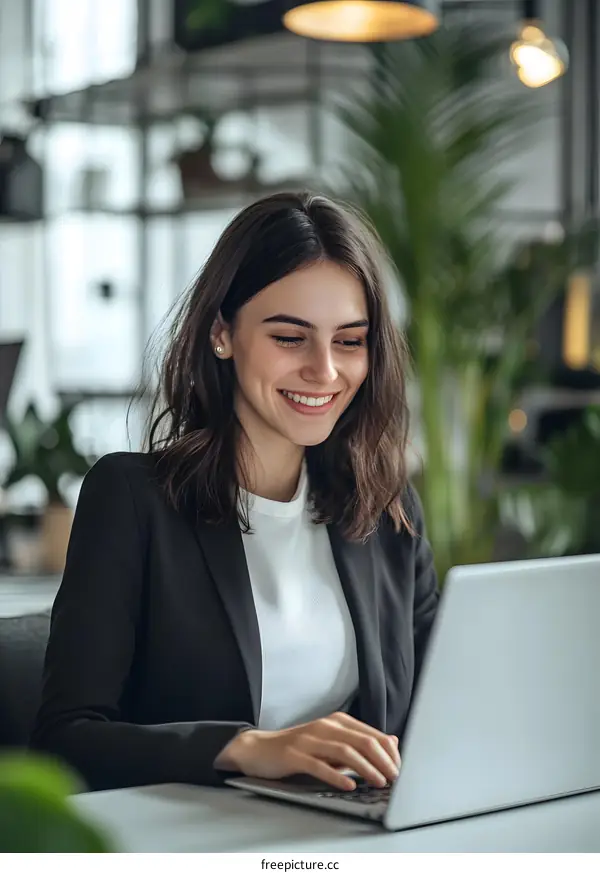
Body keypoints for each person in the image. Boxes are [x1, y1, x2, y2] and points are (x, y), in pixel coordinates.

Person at [31, 191, 438, 793]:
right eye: (289, 338)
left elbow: (442, 710)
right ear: (223, 333)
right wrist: (244, 749)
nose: (325, 370)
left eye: (350, 341)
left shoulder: (387, 509)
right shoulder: (133, 500)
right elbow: (66, 738)